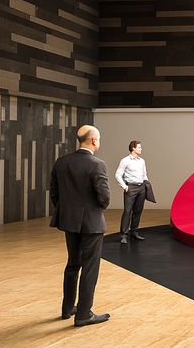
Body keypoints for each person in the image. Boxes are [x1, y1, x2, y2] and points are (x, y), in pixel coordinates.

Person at [50, 125, 111, 327]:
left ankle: (67, 308)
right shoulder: (97, 164)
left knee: (72, 264)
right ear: (93, 140)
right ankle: (84, 313)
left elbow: (54, 194)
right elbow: (104, 198)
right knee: (90, 268)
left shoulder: (62, 162)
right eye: (100, 139)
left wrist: (68, 211)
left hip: (69, 221)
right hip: (91, 224)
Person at [115, 140, 149, 244]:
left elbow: (144, 174)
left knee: (138, 210)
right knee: (127, 211)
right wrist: (125, 187)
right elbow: (117, 174)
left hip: (141, 187)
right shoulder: (125, 160)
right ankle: (124, 234)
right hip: (131, 188)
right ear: (133, 148)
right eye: (139, 147)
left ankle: (134, 231)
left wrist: (146, 184)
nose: (141, 149)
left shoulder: (142, 161)